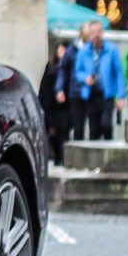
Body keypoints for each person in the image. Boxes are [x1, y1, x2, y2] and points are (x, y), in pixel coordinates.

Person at [67, 16, 124, 142]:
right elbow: (78, 72)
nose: (96, 35)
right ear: (89, 34)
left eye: (99, 31)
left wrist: (121, 96)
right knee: (94, 129)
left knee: (106, 124)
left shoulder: (111, 49)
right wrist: (85, 78)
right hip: (91, 94)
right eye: (93, 32)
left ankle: (109, 146)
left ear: (102, 32)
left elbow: (119, 73)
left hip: (107, 94)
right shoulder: (84, 51)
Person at [41, 38, 75, 167]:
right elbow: (45, 89)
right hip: (52, 107)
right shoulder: (51, 67)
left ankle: (61, 158)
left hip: (65, 107)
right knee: (54, 135)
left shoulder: (70, 69)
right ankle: (57, 157)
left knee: (63, 134)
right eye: (59, 51)